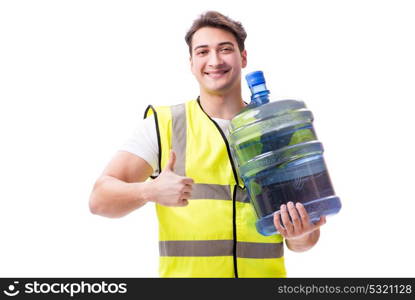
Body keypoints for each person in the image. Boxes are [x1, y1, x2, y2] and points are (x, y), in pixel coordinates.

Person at [89, 11, 326, 278]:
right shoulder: (165, 124)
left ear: (243, 57)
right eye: (203, 52)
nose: (214, 60)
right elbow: (99, 200)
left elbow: (303, 242)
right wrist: (149, 191)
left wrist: (301, 232)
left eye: (225, 49)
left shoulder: (275, 130)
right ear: (191, 63)